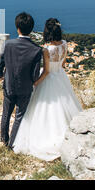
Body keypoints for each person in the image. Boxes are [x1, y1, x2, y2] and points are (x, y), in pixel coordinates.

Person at [12, 18, 83, 161]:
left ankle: (49, 137)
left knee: (46, 108)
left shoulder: (47, 50)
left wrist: (36, 83)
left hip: (50, 79)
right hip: (61, 77)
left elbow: (46, 71)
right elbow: (62, 64)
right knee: (65, 104)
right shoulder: (65, 44)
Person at [0, 12, 43, 149]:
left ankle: (4, 141)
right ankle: (12, 145)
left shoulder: (8, 45)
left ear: (17, 28)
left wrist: (0, 75)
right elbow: (35, 75)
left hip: (9, 85)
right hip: (25, 88)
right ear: (32, 29)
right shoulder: (36, 49)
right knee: (19, 117)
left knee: (6, 114)